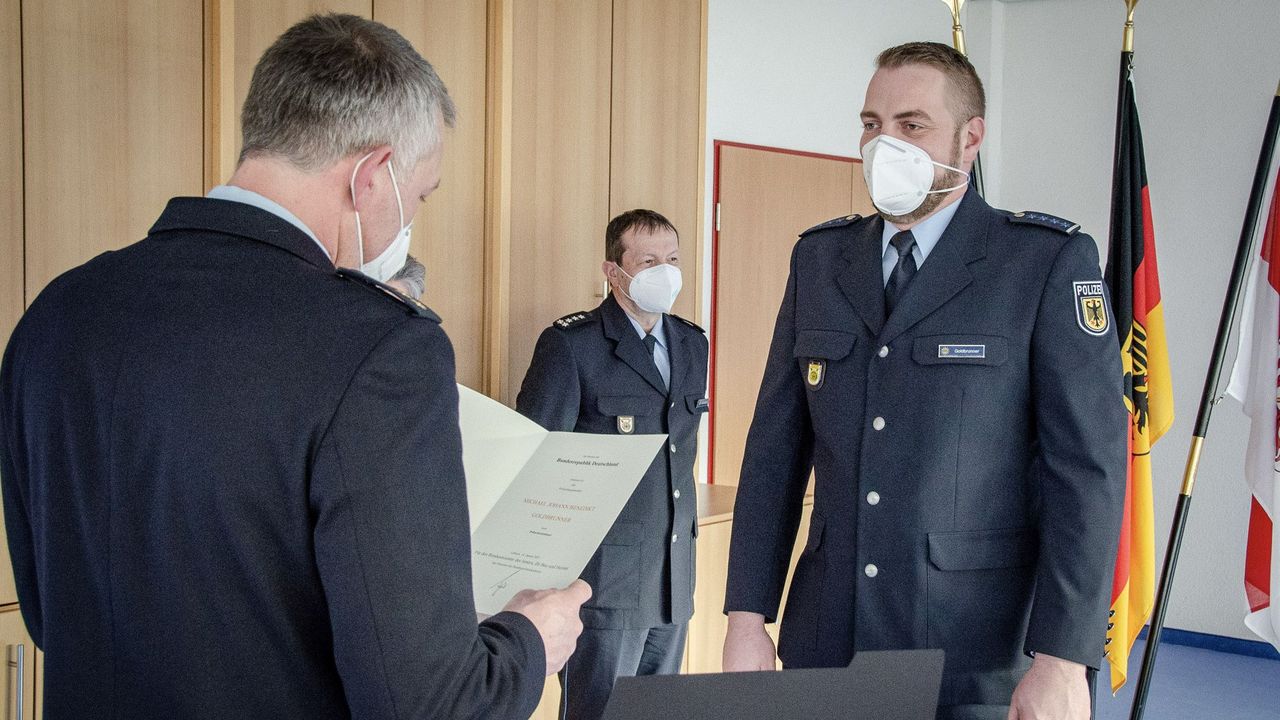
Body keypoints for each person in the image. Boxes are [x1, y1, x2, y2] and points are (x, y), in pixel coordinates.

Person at [0, 14, 588, 719]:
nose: (413, 221)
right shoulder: (378, 351)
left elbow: (47, 608)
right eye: (422, 194)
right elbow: (427, 707)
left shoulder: (58, 312)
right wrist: (530, 638)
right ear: (374, 174)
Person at [721, 42, 1127, 720]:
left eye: (912, 126)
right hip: (828, 638)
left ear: (970, 139)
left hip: (974, 650)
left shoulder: (1041, 264)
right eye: (871, 125)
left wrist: (1062, 658)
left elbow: (1086, 474)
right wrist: (744, 614)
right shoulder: (820, 260)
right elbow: (774, 455)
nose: (885, 146)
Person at [517, 209, 709, 720]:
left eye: (671, 259)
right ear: (613, 271)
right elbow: (536, 464)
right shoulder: (571, 345)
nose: (664, 271)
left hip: (673, 578)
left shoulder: (693, 344)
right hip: (604, 582)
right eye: (648, 260)